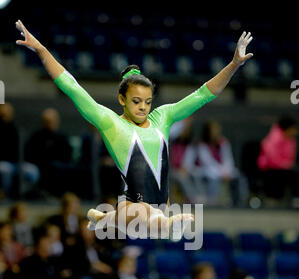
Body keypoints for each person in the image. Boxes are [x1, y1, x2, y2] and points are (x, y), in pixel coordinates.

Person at [16, 20, 253, 239]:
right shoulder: (111, 123)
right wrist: (42, 50)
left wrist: (233, 65)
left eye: (147, 101)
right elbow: (73, 87)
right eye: (136, 101)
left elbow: (203, 94)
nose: (143, 107)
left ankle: (104, 218)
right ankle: (157, 224)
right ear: (122, 99)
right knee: (144, 215)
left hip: (159, 206)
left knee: (152, 220)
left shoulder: (163, 117)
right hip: (134, 206)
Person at [183, 120, 248, 206]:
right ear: (208, 131)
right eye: (214, 130)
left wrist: (227, 171)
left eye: (217, 130)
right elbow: (208, 162)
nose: (216, 132)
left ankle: (240, 201)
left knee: (240, 177)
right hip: (207, 171)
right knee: (214, 179)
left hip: (224, 171)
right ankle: (212, 202)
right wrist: (222, 172)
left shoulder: (223, 142)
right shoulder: (202, 145)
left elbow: (228, 159)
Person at [24, 107, 73, 198]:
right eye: (46, 121)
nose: (48, 124)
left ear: (56, 121)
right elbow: (30, 153)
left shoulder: (62, 137)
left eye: (50, 121)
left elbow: (67, 155)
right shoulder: (36, 136)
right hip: (39, 165)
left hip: (58, 165)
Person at [0, 102, 40, 199]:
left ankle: (25, 194)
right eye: (2, 115)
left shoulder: (16, 130)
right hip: (4, 162)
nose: (5, 117)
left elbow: (23, 149)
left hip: (17, 162)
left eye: (7, 114)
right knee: (5, 169)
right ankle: (6, 196)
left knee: (33, 171)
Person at [257, 116, 298, 202]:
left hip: (284, 168)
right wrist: (285, 165)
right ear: (287, 128)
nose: (295, 131)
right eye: (293, 128)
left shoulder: (290, 139)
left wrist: (288, 164)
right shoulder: (274, 138)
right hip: (270, 168)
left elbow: (291, 156)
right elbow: (272, 158)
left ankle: (295, 199)